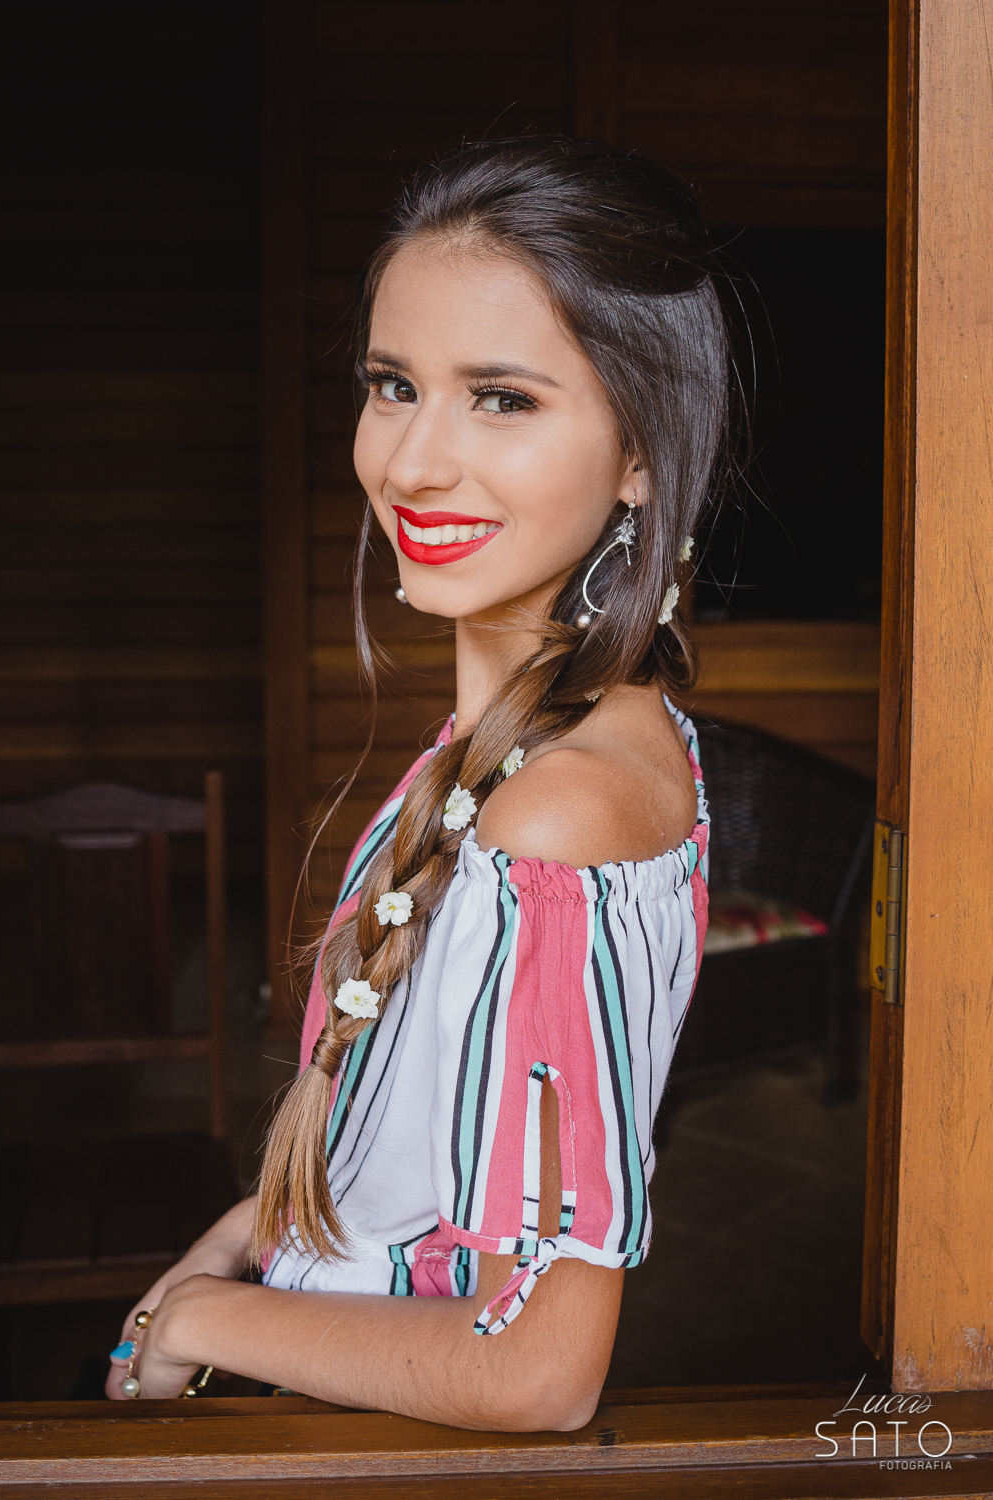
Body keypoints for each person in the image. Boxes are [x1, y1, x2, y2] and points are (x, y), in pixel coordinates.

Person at [106, 137, 729, 1430]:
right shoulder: (538, 739)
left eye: (501, 398)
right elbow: (425, 1154)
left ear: (642, 450)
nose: (413, 463)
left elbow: (536, 1369)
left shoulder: (559, 819)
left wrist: (205, 1320)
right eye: (394, 385)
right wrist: (252, 1232)